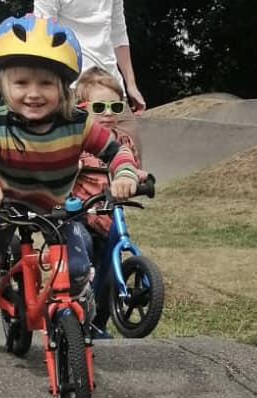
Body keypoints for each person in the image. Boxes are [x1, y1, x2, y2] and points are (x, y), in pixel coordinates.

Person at [0, 14, 140, 351]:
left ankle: (79, 302)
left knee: (79, 266)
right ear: (4, 85)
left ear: (63, 87)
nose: (33, 94)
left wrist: (124, 173)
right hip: (4, 204)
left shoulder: (77, 122)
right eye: (21, 83)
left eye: (46, 84)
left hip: (57, 208)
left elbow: (115, 151)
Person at [72, 66, 148, 338]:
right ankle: (72, 314)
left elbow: (129, 165)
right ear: (82, 109)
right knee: (82, 253)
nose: (107, 113)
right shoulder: (76, 139)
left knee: (108, 274)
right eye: (99, 106)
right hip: (80, 214)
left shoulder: (122, 140)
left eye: (115, 106)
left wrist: (137, 175)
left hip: (111, 214)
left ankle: (98, 324)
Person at [33, 0, 145, 116]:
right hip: (74, 89)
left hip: (112, 85)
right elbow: (43, 37)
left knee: (128, 133)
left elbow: (119, 37)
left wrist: (131, 85)